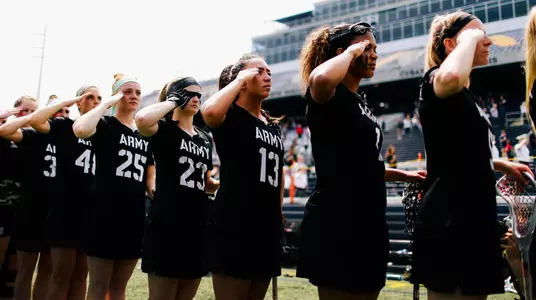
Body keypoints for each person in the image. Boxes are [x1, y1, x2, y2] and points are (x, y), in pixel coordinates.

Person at [294, 22, 425, 299]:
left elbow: (366, 166)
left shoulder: (360, 103)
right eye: (368, 48)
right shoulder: (327, 94)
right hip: (337, 217)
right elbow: (319, 79)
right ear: (346, 52)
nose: (374, 54)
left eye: (375, 48)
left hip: (368, 218)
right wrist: (353, 51)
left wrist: (407, 176)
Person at [414, 11, 532, 299]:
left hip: (473, 215)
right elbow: (452, 75)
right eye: (479, 35)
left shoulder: (466, 98)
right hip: (449, 218)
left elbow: (460, 151)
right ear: (452, 44)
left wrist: (500, 164)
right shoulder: (437, 79)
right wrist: (469, 37)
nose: (488, 41)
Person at [201, 54, 285, 300]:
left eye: (269, 71)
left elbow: (279, 172)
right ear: (241, 79)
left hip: (267, 224)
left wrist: (277, 210)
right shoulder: (230, 115)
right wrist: (238, 80)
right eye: (258, 71)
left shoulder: (271, 126)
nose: (267, 76)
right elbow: (210, 112)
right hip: (235, 220)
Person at [135, 76, 219, 300]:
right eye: (189, 93)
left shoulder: (204, 138)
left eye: (199, 95)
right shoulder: (164, 129)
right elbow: (142, 119)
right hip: (168, 223)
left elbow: (206, 183)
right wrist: (172, 101)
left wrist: (227, 182)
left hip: (197, 224)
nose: (196, 99)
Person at [73, 74, 155, 300]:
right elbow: (80, 129)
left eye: (137, 92)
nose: (133, 96)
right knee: (99, 286)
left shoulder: (143, 133)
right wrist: (109, 102)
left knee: (119, 287)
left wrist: (152, 187)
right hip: (104, 214)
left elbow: (149, 168)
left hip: (133, 215)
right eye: (127, 92)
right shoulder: (105, 124)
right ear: (117, 95)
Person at [29, 86, 101, 300]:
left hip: (91, 210)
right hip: (65, 209)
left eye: (99, 98)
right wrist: (65, 102)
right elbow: (36, 121)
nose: (96, 101)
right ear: (79, 102)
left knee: (80, 276)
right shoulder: (65, 125)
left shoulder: (103, 131)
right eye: (90, 97)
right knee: (60, 275)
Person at [0, 96, 57, 300]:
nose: (30, 115)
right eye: (25, 110)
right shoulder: (13, 132)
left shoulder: (42, 136)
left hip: (33, 208)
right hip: (7, 206)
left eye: (34, 110)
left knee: (20, 266)